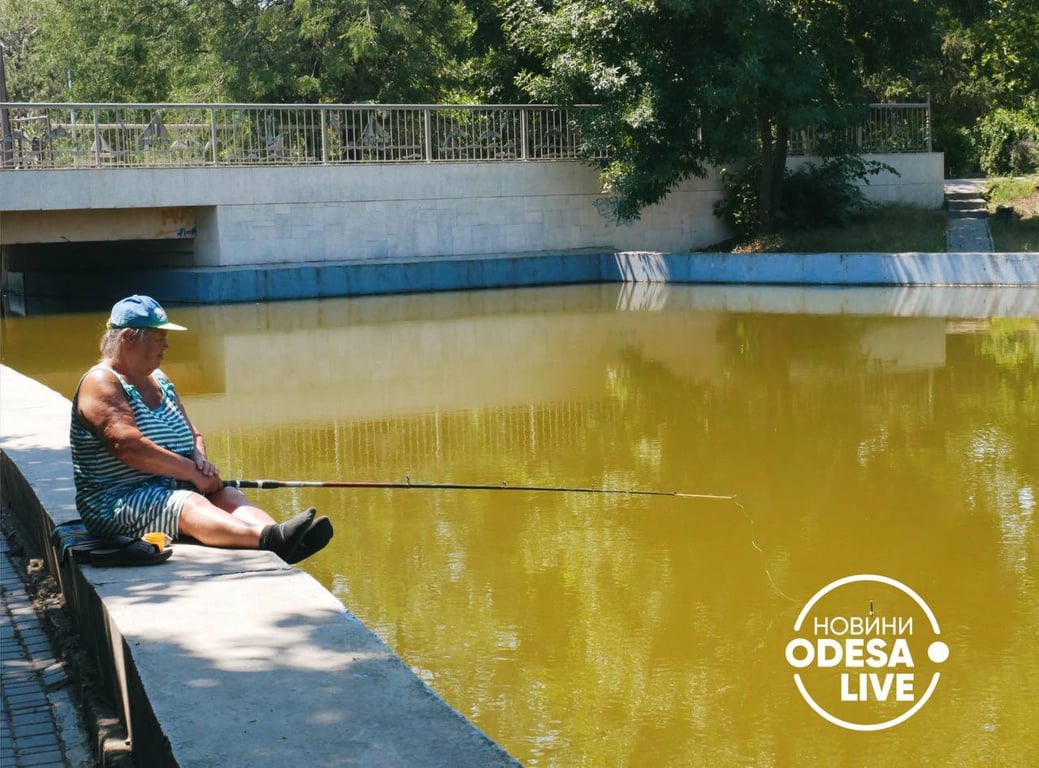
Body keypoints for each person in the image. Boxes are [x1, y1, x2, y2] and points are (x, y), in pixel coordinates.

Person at [70, 295, 332, 563]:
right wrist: (190, 472)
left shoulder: (159, 379)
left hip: (174, 483)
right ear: (129, 338)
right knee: (186, 503)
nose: (166, 346)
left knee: (226, 494)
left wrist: (200, 460)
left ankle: (279, 539)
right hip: (117, 502)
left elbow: (191, 431)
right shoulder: (101, 383)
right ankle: (270, 540)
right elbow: (128, 446)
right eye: (159, 338)